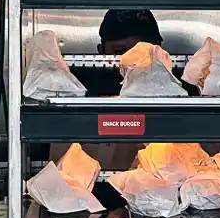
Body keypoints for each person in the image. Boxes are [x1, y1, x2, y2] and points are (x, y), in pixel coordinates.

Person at [49, 9, 163, 170]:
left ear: (160, 48)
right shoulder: (75, 89)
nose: (132, 59)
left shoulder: (184, 90)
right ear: (100, 52)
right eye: (120, 52)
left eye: (142, 50)